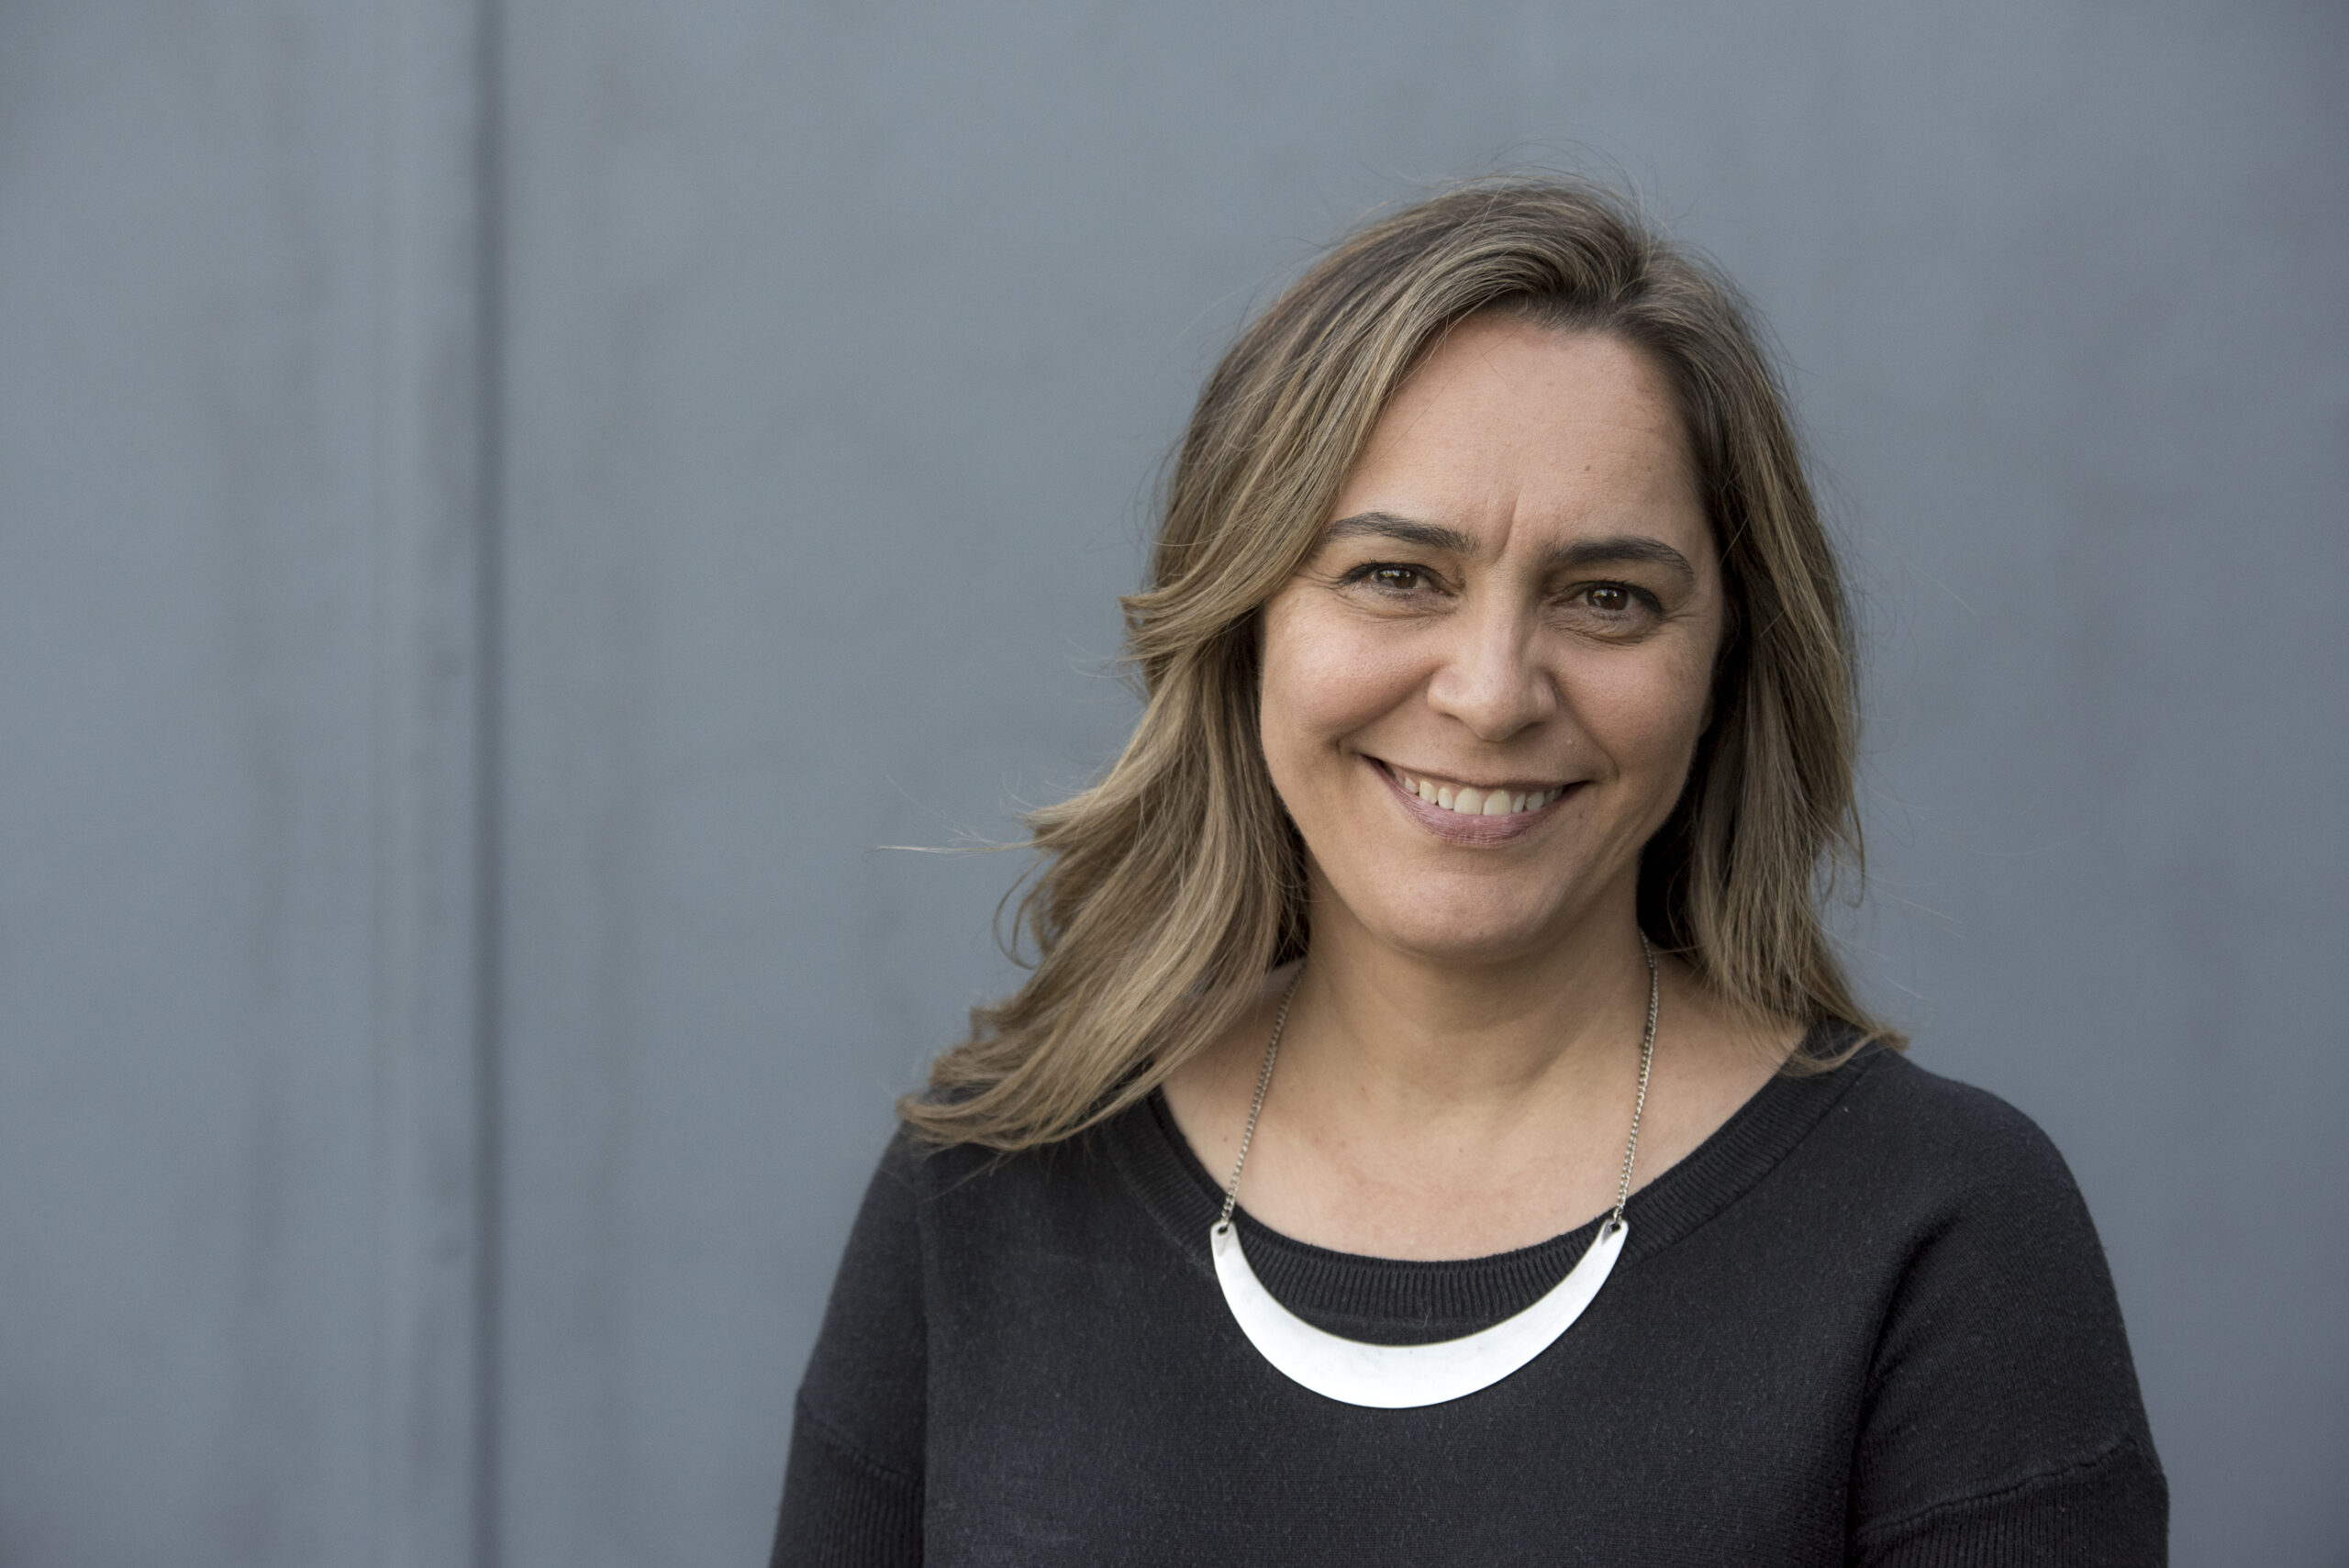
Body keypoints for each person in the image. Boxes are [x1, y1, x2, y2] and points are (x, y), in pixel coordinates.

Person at [771, 178, 2165, 1565]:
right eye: (1395, 574)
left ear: (1725, 666)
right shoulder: (988, 1184)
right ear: (1246, 616)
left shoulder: (1946, 1234)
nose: (1493, 694)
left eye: (1608, 596)